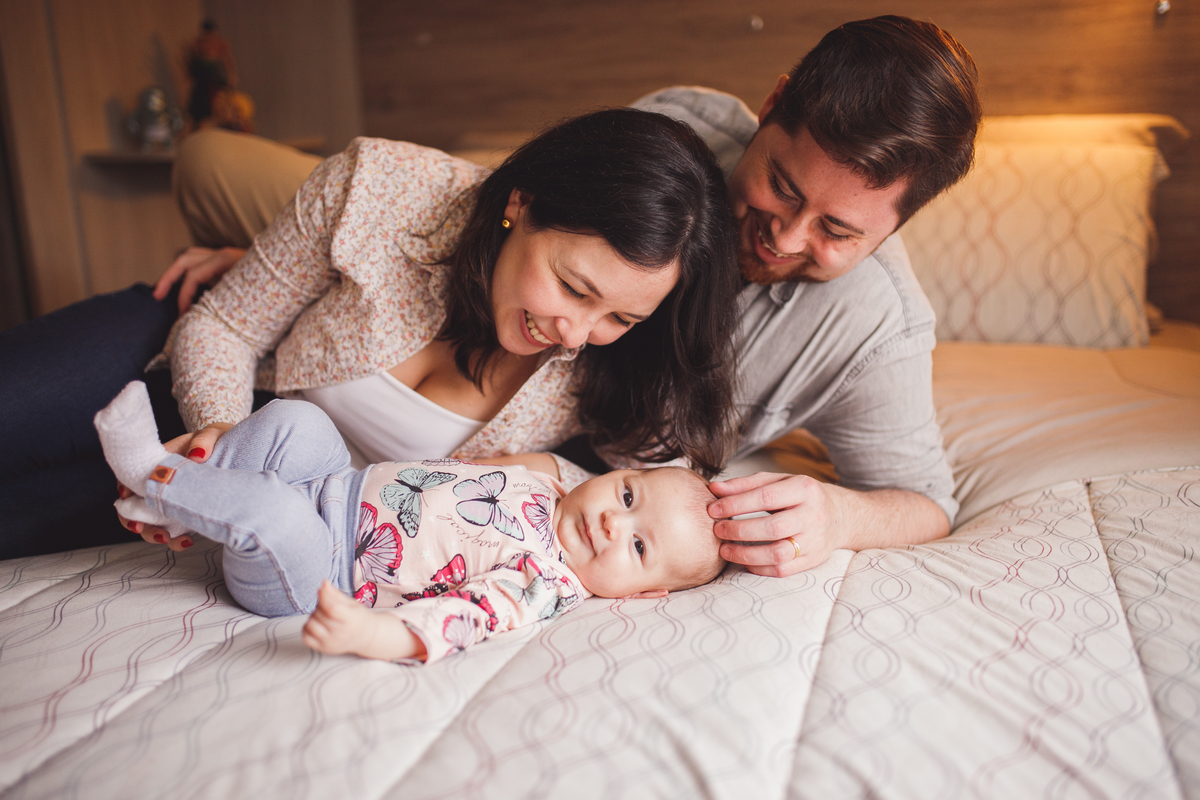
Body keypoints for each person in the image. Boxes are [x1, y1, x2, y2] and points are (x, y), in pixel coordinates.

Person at [147, 15, 983, 578]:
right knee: (213, 164)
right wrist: (291, 265)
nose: (787, 239)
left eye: (838, 233)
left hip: (480, 406)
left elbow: (929, 503)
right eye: (780, 188)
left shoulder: (878, 331)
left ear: (895, 227)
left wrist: (838, 519)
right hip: (436, 240)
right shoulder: (685, 120)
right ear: (771, 106)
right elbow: (527, 205)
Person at [0, 108, 740, 560]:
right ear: (521, 204)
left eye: (619, 316)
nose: (576, 334)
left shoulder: (627, 363)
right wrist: (230, 445)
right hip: (194, 364)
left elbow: (670, 499)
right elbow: (224, 325)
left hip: (261, 504)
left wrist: (545, 474)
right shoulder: (379, 184)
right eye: (574, 287)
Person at [95, 382, 726, 663]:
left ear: (646, 594)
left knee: (275, 514)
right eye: (628, 496)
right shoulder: (553, 481)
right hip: (335, 482)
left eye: (639, 546)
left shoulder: (545, 580)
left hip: (319, 568)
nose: (614, 524)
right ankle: (166, 498)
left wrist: (378, 636)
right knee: (298, 422)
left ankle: (151, 471)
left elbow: (467, 619)